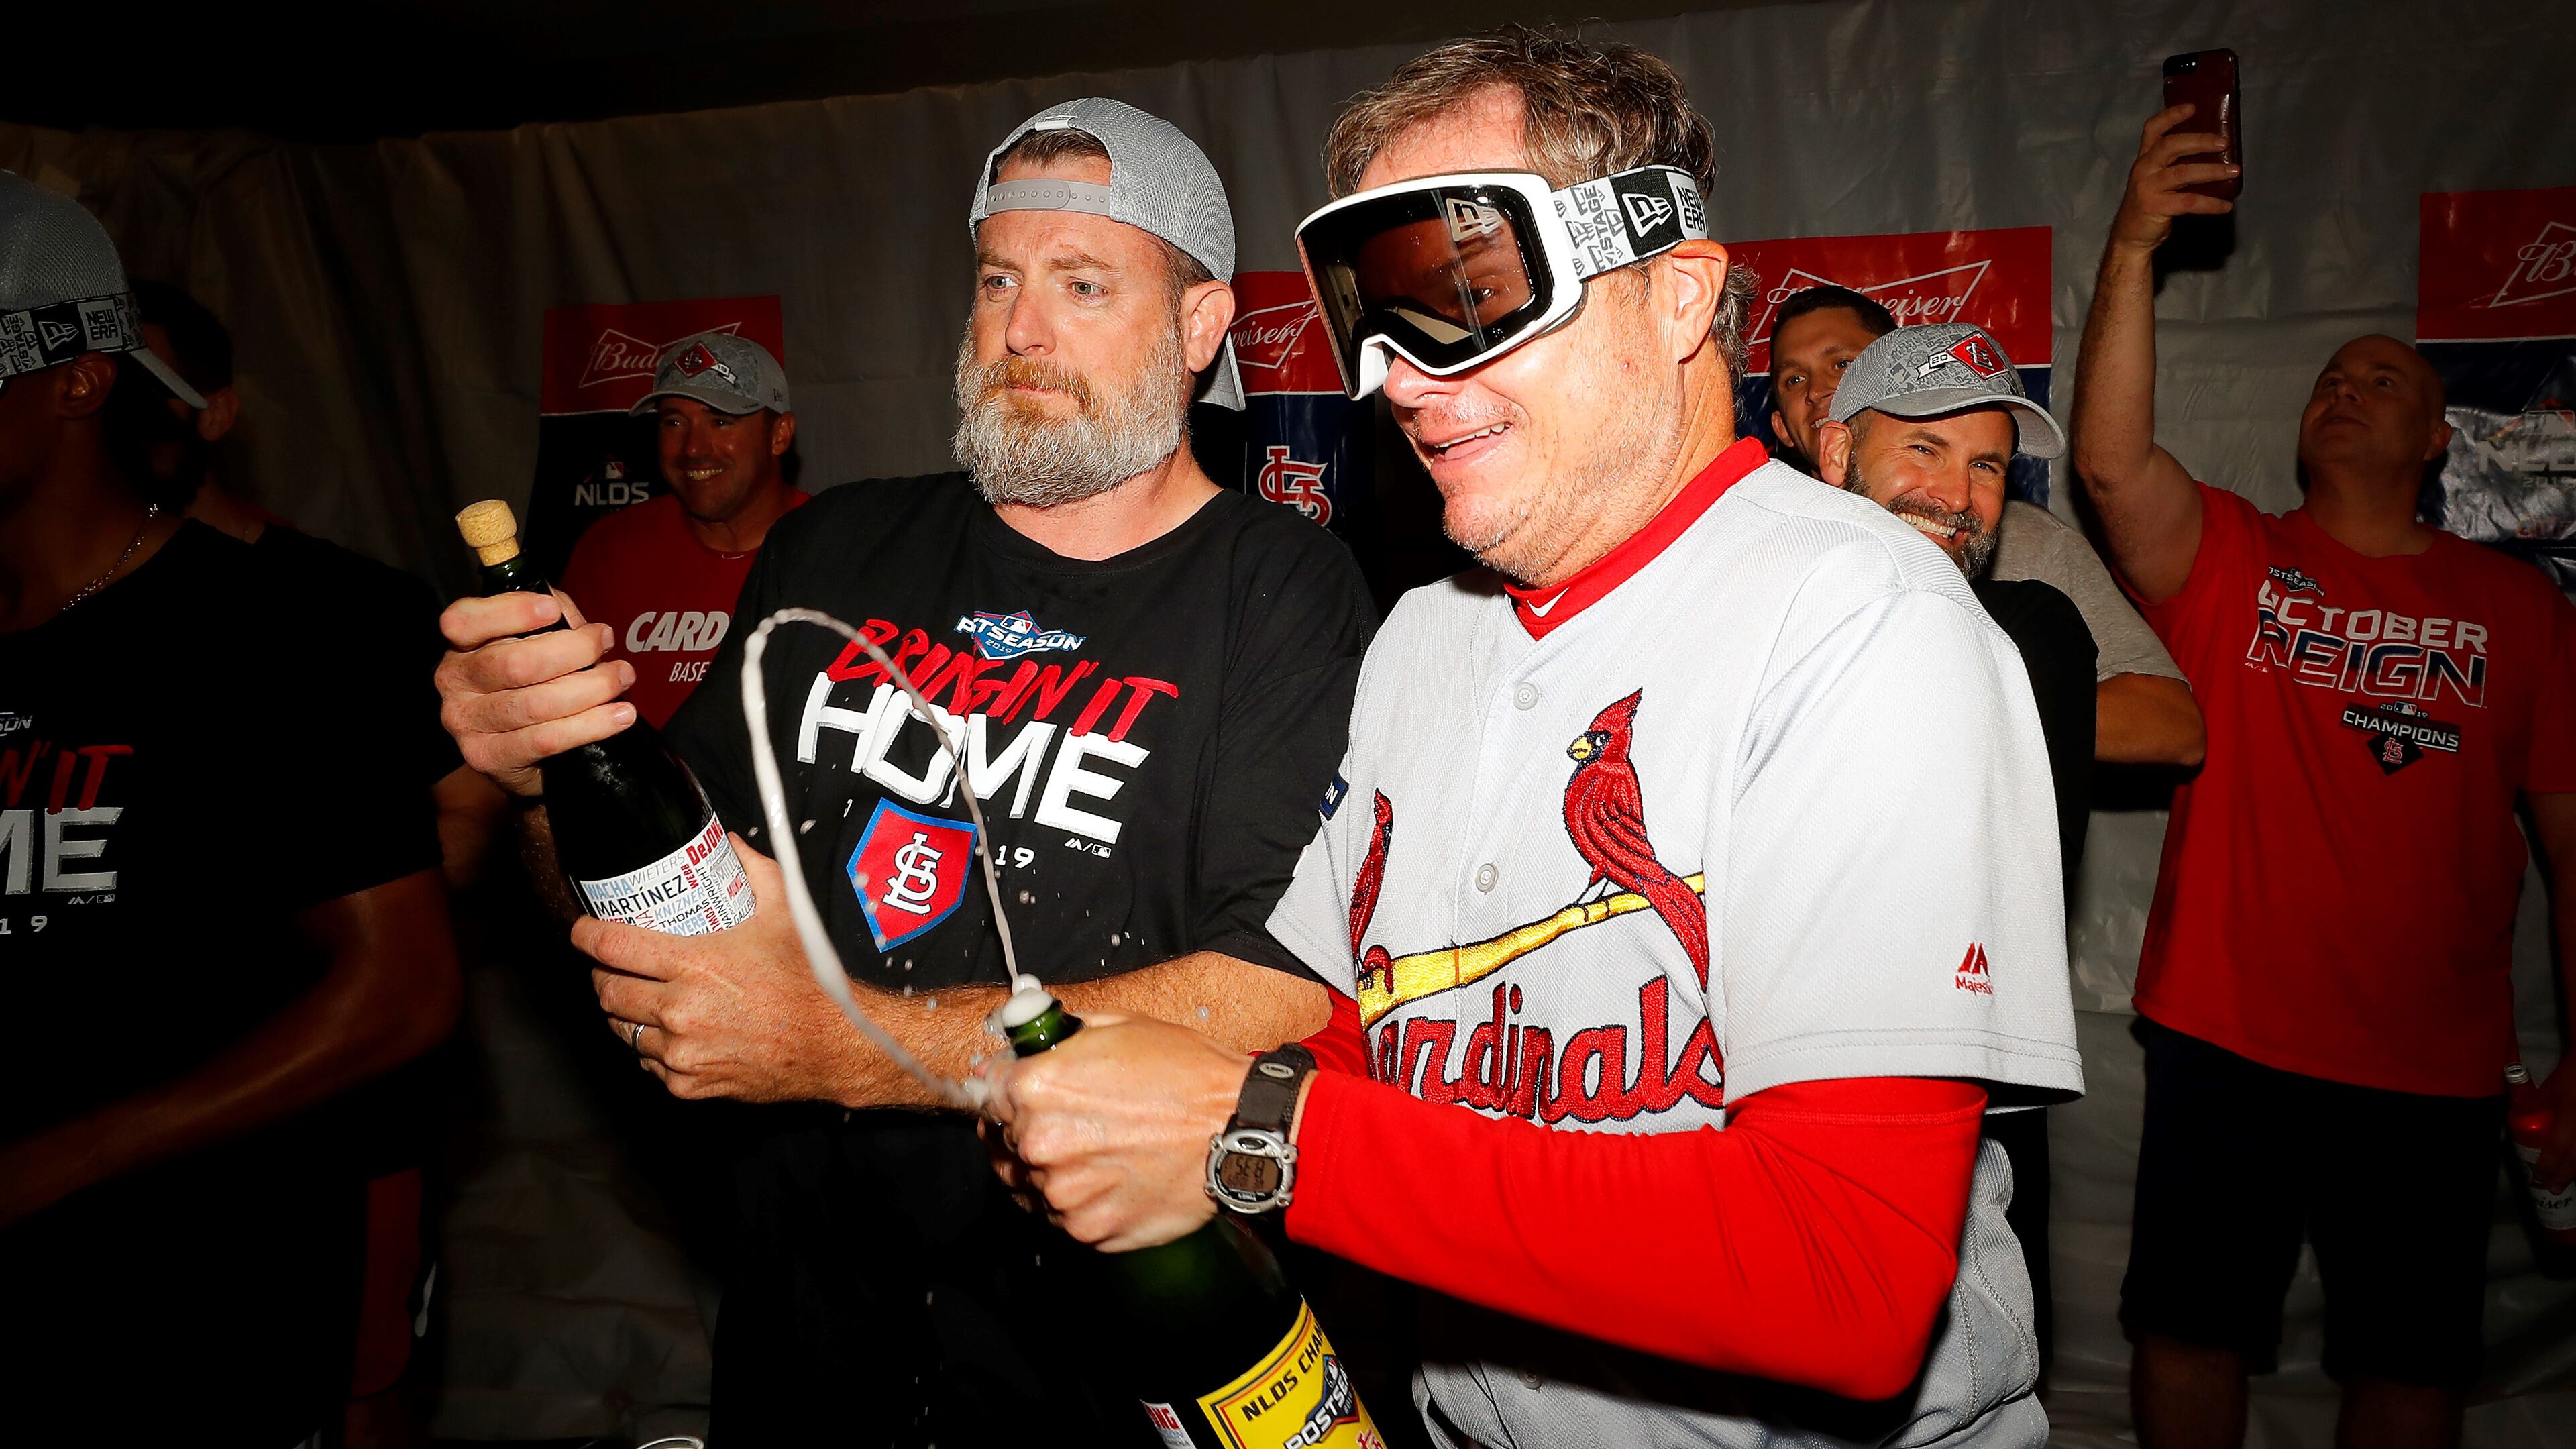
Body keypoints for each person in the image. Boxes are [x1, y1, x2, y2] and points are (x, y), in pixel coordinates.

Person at [986, 29, 2082, 1448]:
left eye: (1472, 296)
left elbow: (1846, 1276)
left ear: (1677, 292)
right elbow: (1354, 1025)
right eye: (1371, 316)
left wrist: (1253, 1135)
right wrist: (1109, 1080)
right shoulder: (1424, 637)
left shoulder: (1863, 621)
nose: (1396, 375)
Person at [431, 99, 1372, 1445]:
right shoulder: (838, 552)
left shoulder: (1282, 593)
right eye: (998, 278)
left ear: (1203, 327)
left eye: (1082, 283)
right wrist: (550, 774)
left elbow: (1269, 999)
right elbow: (673, 899)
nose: (1019, 328)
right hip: (806, 1333)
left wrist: (830, 1043)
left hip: (1106, 1349)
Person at [2074, 103, 2576, 1449]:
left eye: (2382, 380)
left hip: (2432, 1066)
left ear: (2436, 444)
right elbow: (2113, 464)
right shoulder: (2238, 556)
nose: (2344, 388)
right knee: (2188, 1330)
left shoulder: (2520, 611)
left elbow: (2572, 847)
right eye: (2330, 377)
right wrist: (2133, 241)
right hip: (2226, 1034)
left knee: (2411, 1364)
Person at [0, 172, 462, 1442]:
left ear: (78, 380)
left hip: (182, 1318)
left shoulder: (271, 635)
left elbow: (406, 989)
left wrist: (50, 1161)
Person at [1811, 319, 2096, 1375]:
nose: (1959, 493)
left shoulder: (2031, 632)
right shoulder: (1745, 613)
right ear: (1837, 454)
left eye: (1985, 465)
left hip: (1960, 1132)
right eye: (1922, 450)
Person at [1770, 281, 2204, 769]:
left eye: (1843, 365)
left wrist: (1969, 695)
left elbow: (2174, 724)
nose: (1821, 392)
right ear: (1834, 447)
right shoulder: (1756, 551)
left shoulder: (2029, 565)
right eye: (1793, 380)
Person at [557, 332, 809, 728]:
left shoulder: (834, 545)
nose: (693, 448)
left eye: (721, 421)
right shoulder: (609, 550)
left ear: (779, 435)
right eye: (674, 422)